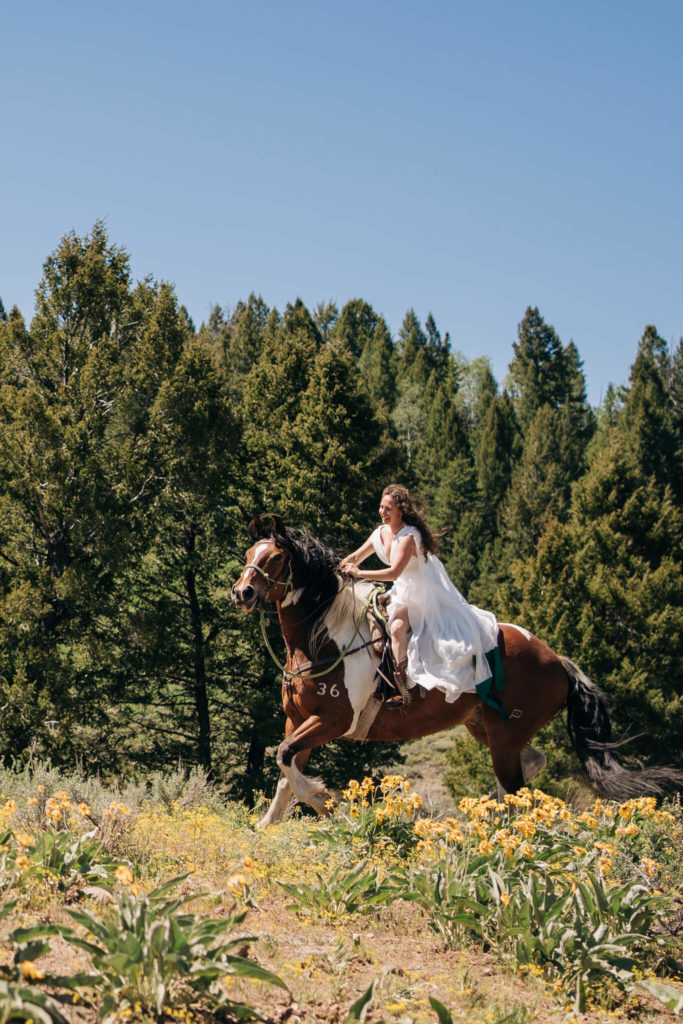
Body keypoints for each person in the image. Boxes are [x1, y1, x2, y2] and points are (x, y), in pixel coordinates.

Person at [340, 484, 499, 706]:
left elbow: (394, 571)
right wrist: (337, 567)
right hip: (402, 590)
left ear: (401, 511)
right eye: (381, 507)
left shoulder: (409, 536)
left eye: (388, 509)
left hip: (422, 595)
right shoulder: (381, 532)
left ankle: (400, 687)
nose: (382, 512)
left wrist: (358, 573)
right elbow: (355, 557)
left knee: (396, 628)